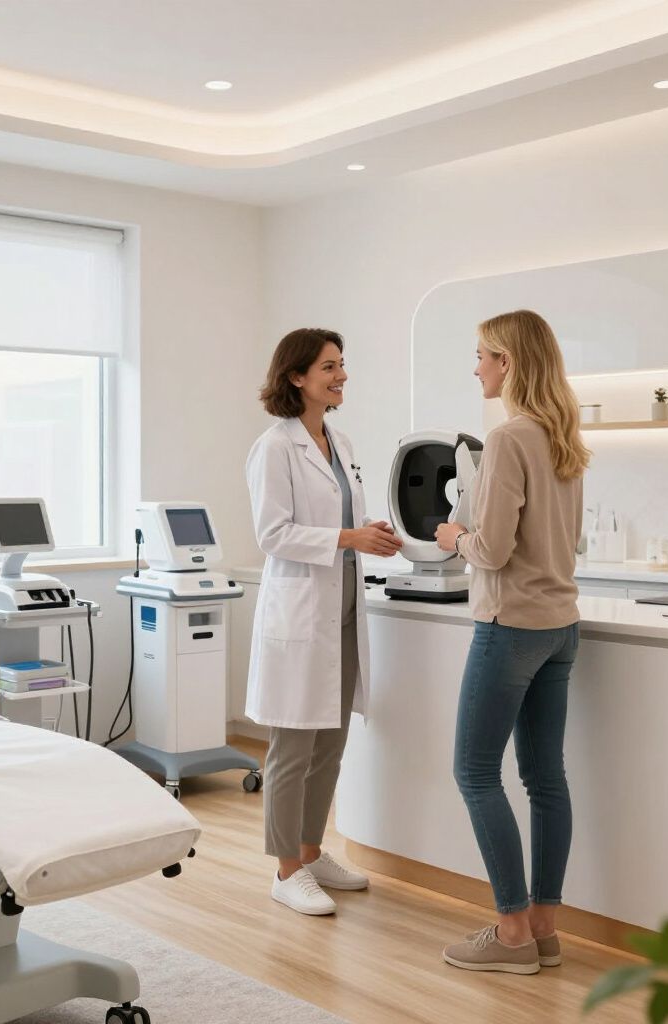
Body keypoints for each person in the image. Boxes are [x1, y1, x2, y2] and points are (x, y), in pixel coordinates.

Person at [435, 309, 589, 974]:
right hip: (560, 626)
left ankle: (511, 933)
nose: (476, 368)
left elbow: (492, 550)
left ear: (509, 362)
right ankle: (545, 928)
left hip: (510, 627)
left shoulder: (507, 440)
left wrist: (452, 538)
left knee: (474, 773)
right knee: (545, 779)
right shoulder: (564, 439)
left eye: (482, 356)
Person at [245, 327, 403, 916]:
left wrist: (371, 535)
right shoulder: (275, 447)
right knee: (293, 746)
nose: (341, 376)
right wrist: (345, 536)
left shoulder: (342, 442)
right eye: (329, 367)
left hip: (340, 610)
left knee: (331, 745)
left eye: (342, 365)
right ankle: (286, 870)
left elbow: (343, 522)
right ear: (296, 377)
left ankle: (311, 851)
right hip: (300, 615)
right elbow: (272, 533)